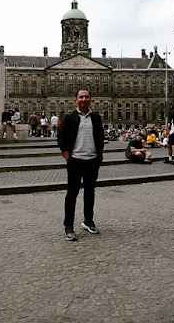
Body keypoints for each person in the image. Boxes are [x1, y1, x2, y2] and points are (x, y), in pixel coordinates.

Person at [58, 89, 104, 241]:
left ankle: (88, 221)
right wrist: (67, 155)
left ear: (90, 99)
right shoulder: (69, 117)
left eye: (86, 97)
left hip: (92, 160)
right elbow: (61, 137)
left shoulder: (96, 118)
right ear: (76, 100)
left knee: (90, 192)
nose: (84, 99)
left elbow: (100, 137)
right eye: (81, 97)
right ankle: (68, 226)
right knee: (72, 194)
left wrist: (99, 157)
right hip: (75, 160)